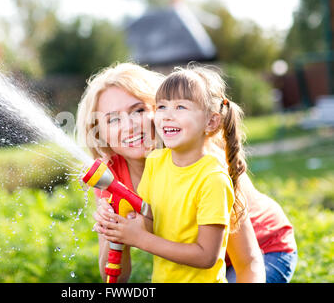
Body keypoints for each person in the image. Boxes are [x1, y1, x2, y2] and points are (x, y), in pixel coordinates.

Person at [76, 62, 296, 282]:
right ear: (100, 132)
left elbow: (247, 260)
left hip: (265, 249)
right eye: (113, 119)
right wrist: (116, 232)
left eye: (139, 110)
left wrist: (139, 237)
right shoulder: (109, 178)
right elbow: (115, 277)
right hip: (195, 267)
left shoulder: (204, 162)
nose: (129, 125)